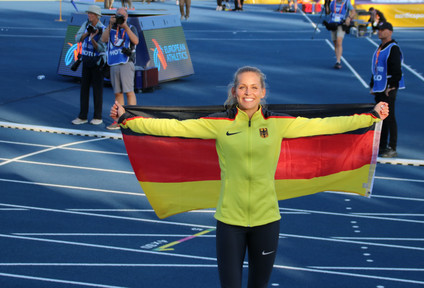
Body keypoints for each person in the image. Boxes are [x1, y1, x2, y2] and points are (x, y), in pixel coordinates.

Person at [110, 66, 389, 288]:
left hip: (267, 221)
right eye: (242, 86)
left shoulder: (279, 124)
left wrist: (370, 116)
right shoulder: (219, 124)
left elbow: (328, 124)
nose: (248, 92)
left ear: (262, 91)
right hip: (229, 222)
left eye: (254, 87)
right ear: (234, 91)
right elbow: (172, 127)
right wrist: (127, 118)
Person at [370, 22, 404, 158]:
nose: (380, 32)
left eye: (383, 29)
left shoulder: (393, 48)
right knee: (380, 117)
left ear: (390, 32)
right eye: (379, 29)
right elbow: (376, 67)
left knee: (389, 118)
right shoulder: (380, 48)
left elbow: (397, 69)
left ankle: (392, 146)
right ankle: (381, 145)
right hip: (379, 87)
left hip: (388, 88)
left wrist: (392, 86)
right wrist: (372, 84)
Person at [101, 7, 139, 130]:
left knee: (129, 91)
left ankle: (132, 120)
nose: (120, 18)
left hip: (126, 62)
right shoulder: (112, 28)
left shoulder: (131, 28)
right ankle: (119, 120)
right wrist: (110, 25)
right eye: (118, 15)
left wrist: (126, 27)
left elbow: (136, 41)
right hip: (114, 62)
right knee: (117, 92)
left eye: (122, 16)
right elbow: (103, 39)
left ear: (127, 17)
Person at [71, 5, 106, 126]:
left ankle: (98, 116)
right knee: (84, 89)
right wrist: (87, 34)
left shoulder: (102, 28)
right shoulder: (85, 25)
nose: (89, 15)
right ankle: (82, 116)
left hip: (96, 62)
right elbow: (77, 39)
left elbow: (102, 48)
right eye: (88, 13)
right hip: (86, 60)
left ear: (97, 16)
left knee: (97, 90)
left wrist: (92, 39)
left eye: (91, 14)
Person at [325, 0, 355, 69]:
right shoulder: (332, 2)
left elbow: (353, 12)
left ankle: (338, 61)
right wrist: (326, 4)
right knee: (335, 43)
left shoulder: (347, 2)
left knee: (339, 41)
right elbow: (328, 12)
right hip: (333, 24)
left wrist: (349, 18)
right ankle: (337, 60)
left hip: (342, 24)